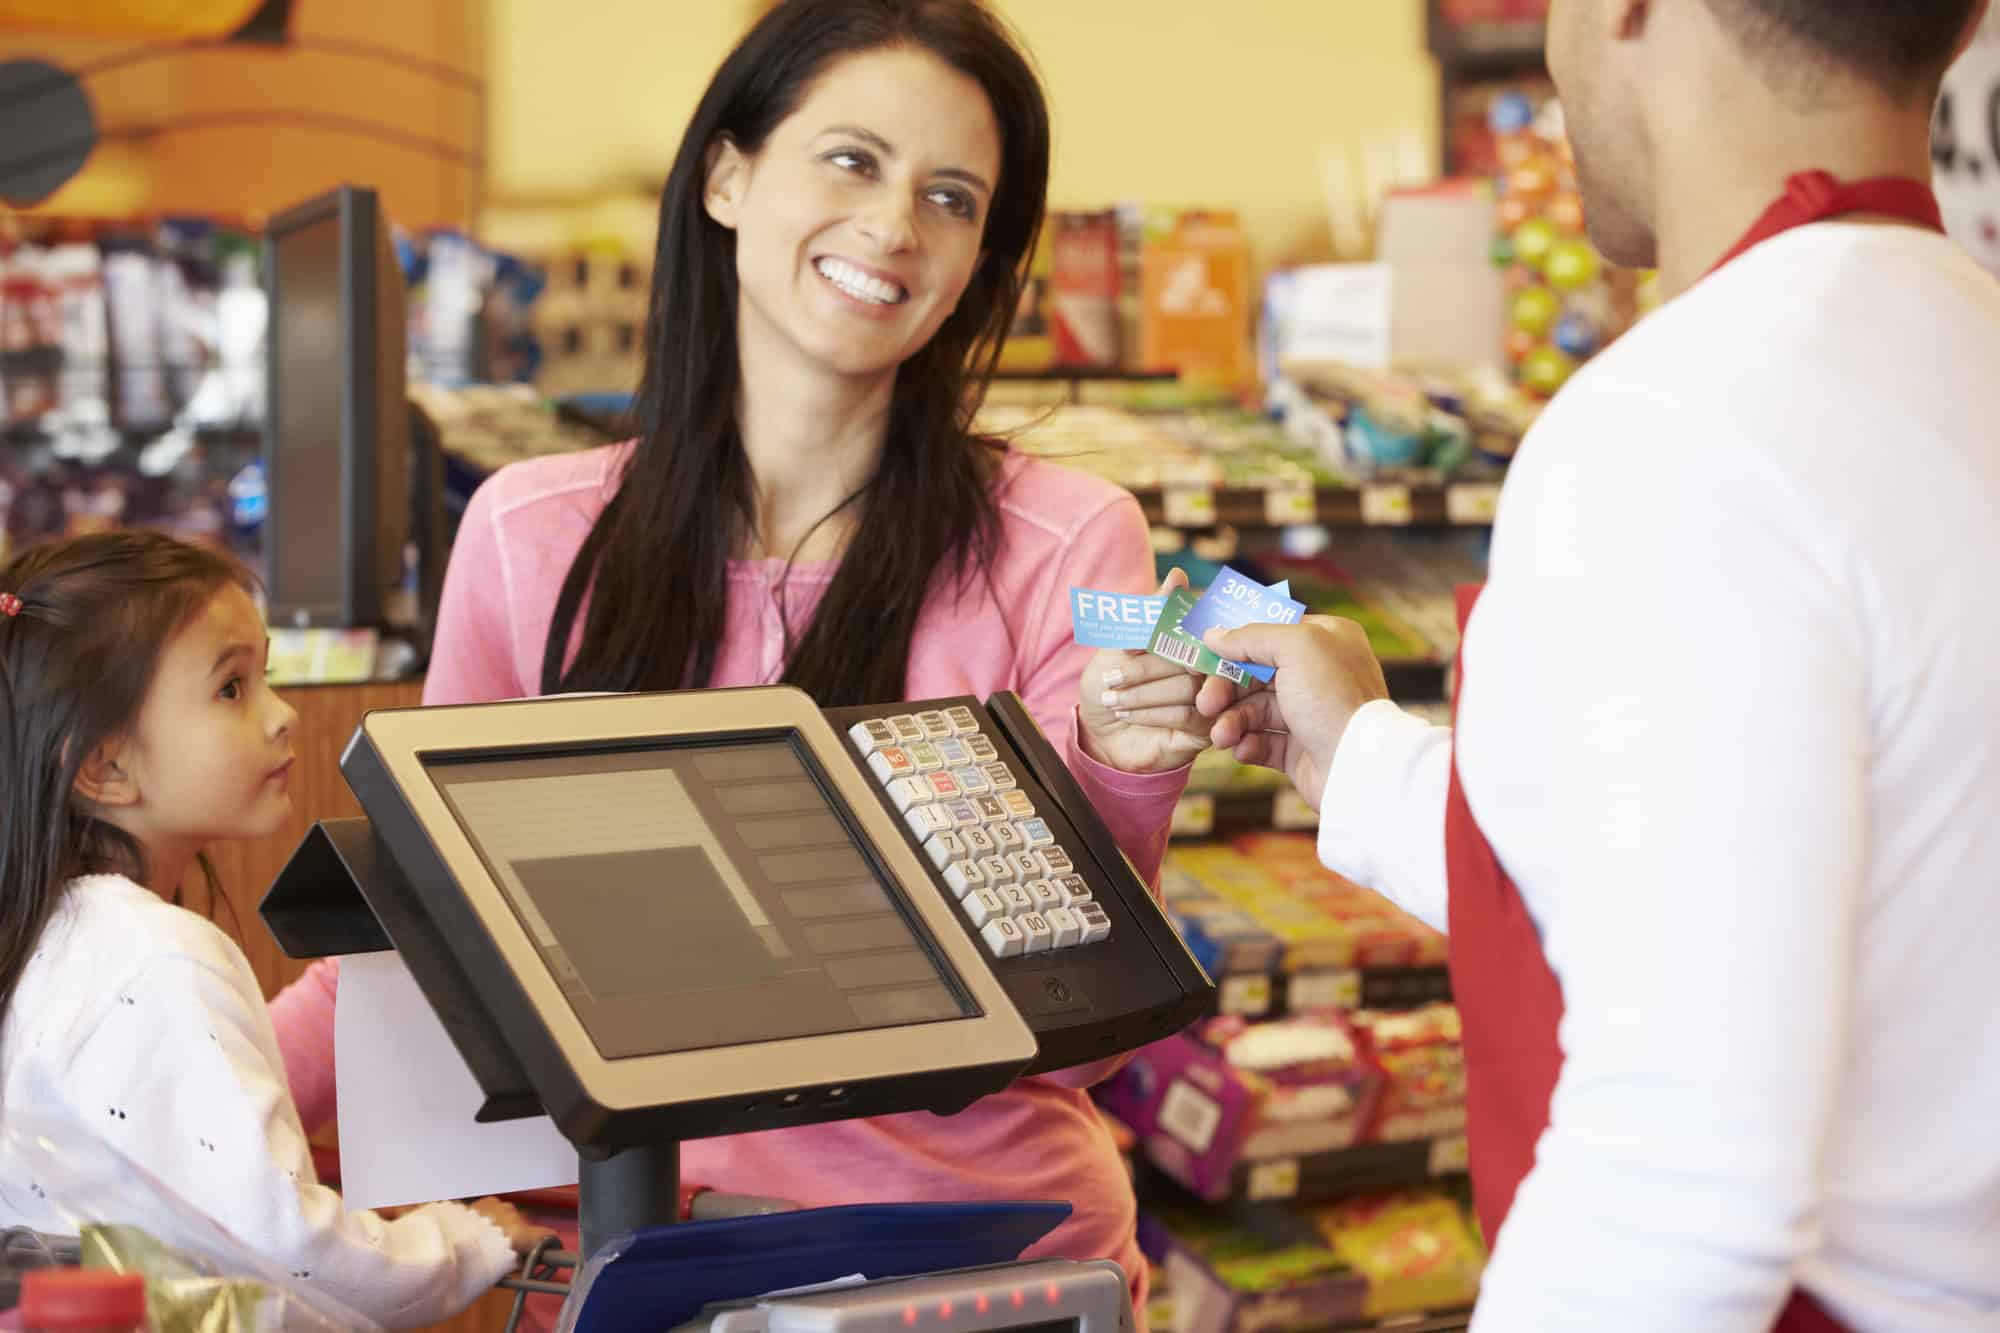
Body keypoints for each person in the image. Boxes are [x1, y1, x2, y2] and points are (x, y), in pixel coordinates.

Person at [270, 0, 1207, 1323]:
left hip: (968, 1270)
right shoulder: (534, 534)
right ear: (726, 174)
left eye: (952, 197)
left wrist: (1121, 764)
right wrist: (162, 1103)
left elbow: (1086, 998)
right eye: (851, 159)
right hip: (621, 1259)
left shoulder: (1067, 540)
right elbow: (426, 937)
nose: (895, 226)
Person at [1199, 1, 2000, 1329]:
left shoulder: (1682, 424)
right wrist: (1359, 755)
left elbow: (1680, 1188)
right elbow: (1820, 870)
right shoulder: (1959, 350)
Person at [0, 531, 549, 1329]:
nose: (283, 714)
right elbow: (289, 1239)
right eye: (231, 688)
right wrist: (462, 1242)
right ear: (104, 766)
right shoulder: (155, 956)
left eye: (270, 677)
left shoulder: (46, 941)